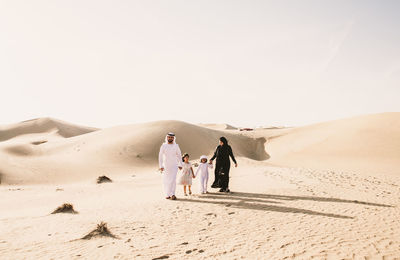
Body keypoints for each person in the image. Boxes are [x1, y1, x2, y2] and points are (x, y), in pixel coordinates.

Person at [159, 132, 182, 200]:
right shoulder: (163, 146)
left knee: (173, 180)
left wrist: (180, 164)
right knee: (166, 180)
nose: (170, 138)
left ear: (173, 138)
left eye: (172, 137)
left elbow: (179, 155)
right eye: (169, 137)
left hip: (174, 165)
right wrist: (161, 166)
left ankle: (172, 194)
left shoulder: (176, 146)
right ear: (167, 138)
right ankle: (167, 194)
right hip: (166, 165)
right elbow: (160, 156)